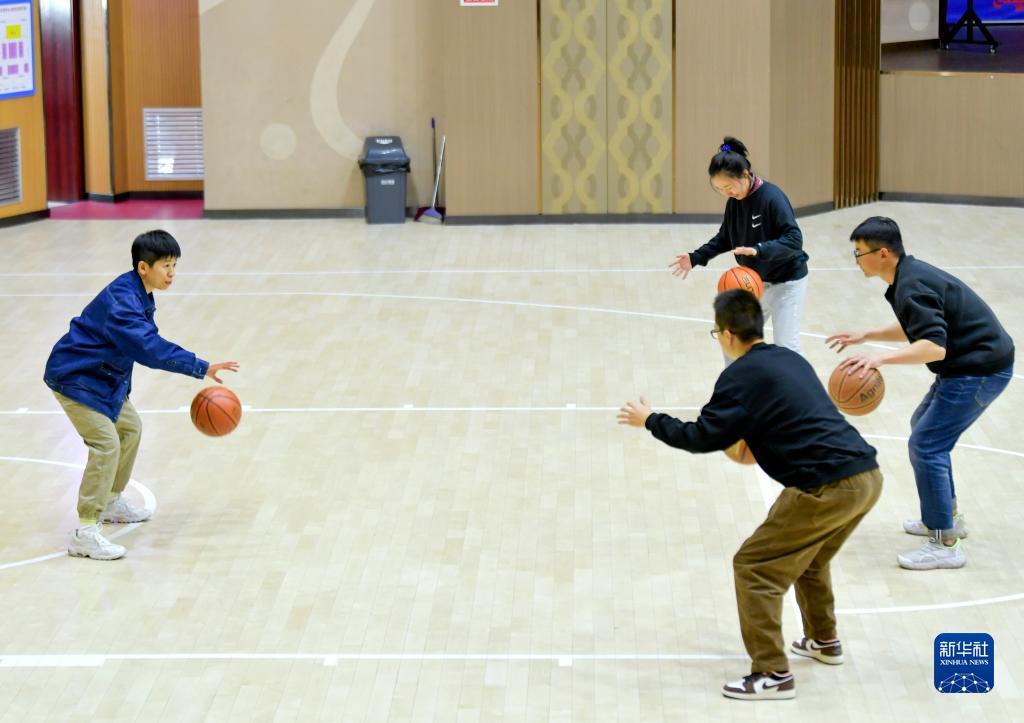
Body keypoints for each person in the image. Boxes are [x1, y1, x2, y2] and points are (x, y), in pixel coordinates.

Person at [618, 289, 882, 701]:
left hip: (824, 487)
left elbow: (702, 436)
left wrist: (651, 420)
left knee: (754, 567)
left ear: (727, 334)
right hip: (865, 476)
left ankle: (773, 674)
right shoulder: (789, 358)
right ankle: (823, 640)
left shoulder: (739, 377)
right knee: (810, 560)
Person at [827, 216, 1014, 571]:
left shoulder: (911, 284)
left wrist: (879, 358)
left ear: (882, 253)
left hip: (979, 370)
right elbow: (916, 326)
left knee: (927, 445)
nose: (856, 260)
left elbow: (933, 346)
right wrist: (866, 335)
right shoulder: (907, 276)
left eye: (859, 252)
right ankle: (947, 516)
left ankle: (945, 543)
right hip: (970, 364)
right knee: (923, 429)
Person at [44, 230, 239, 561]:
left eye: (174, 265)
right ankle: (85, 532)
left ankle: (110, 501)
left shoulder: (139, 292)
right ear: (143, 267)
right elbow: (150, 349)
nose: (172, 273)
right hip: (75, 378)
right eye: (166, 266)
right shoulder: (123, 304)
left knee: (130, 429)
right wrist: (200, 366)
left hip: (102, 379)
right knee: (106, 444)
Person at [669, 136, 809, 353]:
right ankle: (744, 376)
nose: (726, 193)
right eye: (719, 189)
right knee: (735, 339)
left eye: (727, 186)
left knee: (786, 347)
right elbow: (725, 237)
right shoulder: (734, 202)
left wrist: (759, 250)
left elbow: (794, 240)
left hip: (787, 282)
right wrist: (696, 257)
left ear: (745, 174)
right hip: (755, 282)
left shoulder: (772, 198)